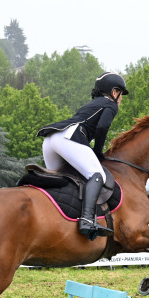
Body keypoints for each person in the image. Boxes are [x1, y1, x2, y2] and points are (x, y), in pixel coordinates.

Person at [36, 72, 129, 240]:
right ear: (114, 92)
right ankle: (86, 219)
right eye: (121, 94)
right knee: (97, 175)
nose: (121, 98)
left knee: (61, 180)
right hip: (69, 137)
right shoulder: (110, 105)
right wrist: (98, 150)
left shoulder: (92, 104)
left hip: (51, 139)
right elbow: (102, 127)